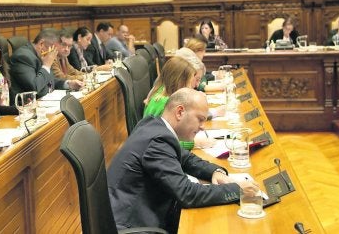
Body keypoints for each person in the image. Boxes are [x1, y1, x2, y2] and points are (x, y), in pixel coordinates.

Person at [108, 88, 258, 233]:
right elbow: (186, 194)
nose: (202, 127)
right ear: (180, 112)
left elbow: (186, 158)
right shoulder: (158, 141)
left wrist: (215, 172)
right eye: (200, 119)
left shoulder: (154, 125)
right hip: (133, 226)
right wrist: (237, 189)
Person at [10, 28, 83, 100]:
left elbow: (49, 81)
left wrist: (69, 84)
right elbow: (34, 88)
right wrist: (46, 66)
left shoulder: (40, 55)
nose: (54, 54)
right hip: (26, 106)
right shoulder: (24, 57)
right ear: (41, 44)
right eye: (53, 49)